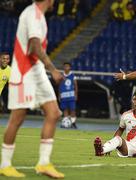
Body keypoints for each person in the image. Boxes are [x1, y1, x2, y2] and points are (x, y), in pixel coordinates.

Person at [0, 0, 64, 178]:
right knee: (17, 118)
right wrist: (53, 69)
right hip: (24, 73)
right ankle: (5, 165)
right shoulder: (33, 15)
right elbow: (34, 46)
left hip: (36, 71)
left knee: (54, 113)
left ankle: (43, 163)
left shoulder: (39, 15)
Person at [59, 62, 78, 129]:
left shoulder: (73, 76)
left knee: (72, 110)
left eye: (67, 66)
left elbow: (76, 86)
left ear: (70, 67)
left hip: (71, 96)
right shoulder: (61, 76)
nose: (66, 68)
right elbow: (60, 86)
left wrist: (76, 94)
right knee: (65, 110)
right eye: (65, 66)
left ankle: (73, 123)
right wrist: (59, 95)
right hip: (64, 96)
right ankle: (66, 123)